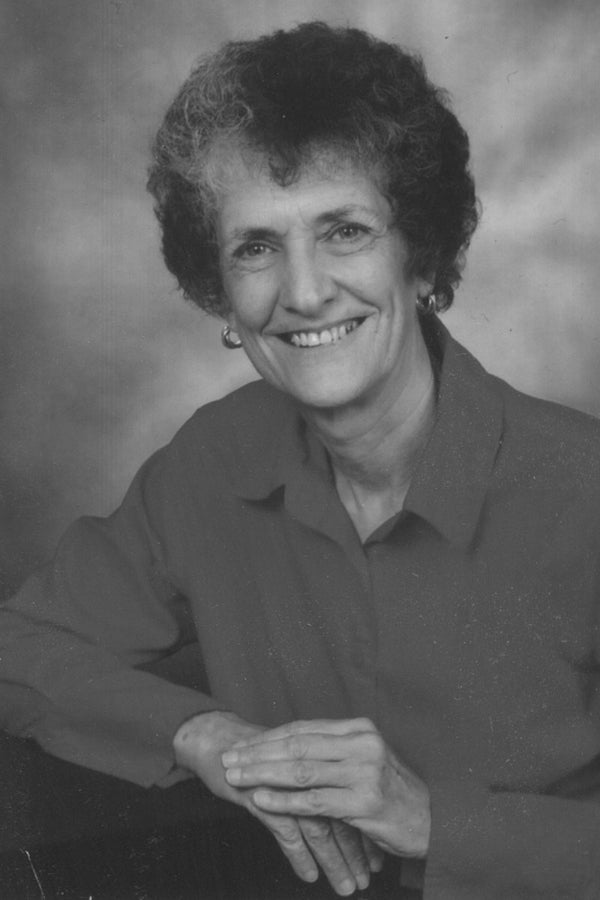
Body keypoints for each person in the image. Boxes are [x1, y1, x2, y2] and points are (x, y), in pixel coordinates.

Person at [1, 20, 600, 899]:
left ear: (421, 255)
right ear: (220, 294)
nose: (306, 290)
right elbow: (21, 647)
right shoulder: (210, 463)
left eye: (346, 231)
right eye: (256, 247)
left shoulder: (582, 489)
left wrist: (434, 819)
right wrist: (209, 737)